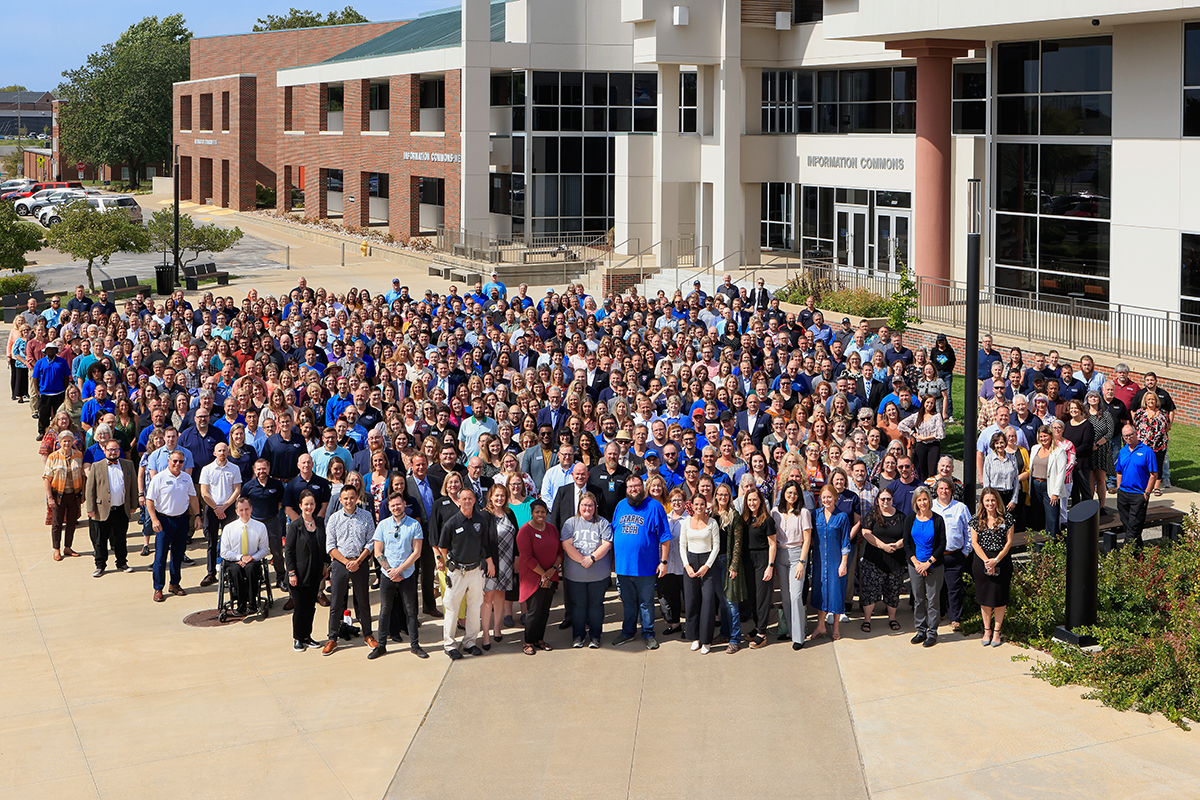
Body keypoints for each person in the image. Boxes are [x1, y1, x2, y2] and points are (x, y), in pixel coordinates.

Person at [435, 485, 498, 659]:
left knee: (474, 607)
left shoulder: (481, 520)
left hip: (476, 571)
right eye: (464, 499)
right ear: (459, 500)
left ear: (474, 500)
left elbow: (485, 544)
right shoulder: (452, 523)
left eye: (470, 498)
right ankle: (449, 645)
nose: (467, 501)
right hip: (457, 572)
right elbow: (443, 547)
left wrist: (487, 563)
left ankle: (470, 642)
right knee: (452, 608)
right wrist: (450, 565)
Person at [611, 475, 672, 650]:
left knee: (646, 603)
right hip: (623, 567)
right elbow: (615, 533)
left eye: (636, 486)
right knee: (628, 602)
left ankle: (648, 633)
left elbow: (665, 537)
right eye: (630, 487)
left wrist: (664, 561)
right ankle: (628, 632)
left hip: (646, 567)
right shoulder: (621, 505)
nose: (633, 490)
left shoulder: (655, 507)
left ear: (643, 487)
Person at [322, 484, 377, 656]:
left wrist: (359, 560)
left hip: (360, 562)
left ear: (357, 497)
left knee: (363, 600)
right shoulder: (334, 518)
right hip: (340, 562)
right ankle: (332, 638)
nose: (349, 501)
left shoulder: (366, 516)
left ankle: (368, 634)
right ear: (340, 500)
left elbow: (371, 541)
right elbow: (330, 546)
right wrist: (346, 561)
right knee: (337, 601)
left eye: (352, 497)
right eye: (345, 498)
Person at [370, 492, 427, 659]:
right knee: (384, 610)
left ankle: (415, 645)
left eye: (399, 504)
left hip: (407, 575)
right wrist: (390, 571)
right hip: (387, 576)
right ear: (389, 507)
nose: (396, 507)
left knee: (410, 611)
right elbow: (378, 552)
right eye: (393, 505)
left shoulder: (414, 525)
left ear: (404, 505)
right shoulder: (383, 525)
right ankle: (381, 646)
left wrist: (399, 570)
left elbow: (416, 552)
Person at [145, 449, 201, 603]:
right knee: (161, 556)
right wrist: (154, 520)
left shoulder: (186, 478)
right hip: (164, 521)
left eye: (181, 462)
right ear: (169, 461)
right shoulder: (159, 478)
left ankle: (174, 584)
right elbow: (150, 501)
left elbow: (193, 498)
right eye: (175, 461)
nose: (177, 464)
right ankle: (158, 588)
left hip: (182, 520)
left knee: (178, 554)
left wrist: (197, 516)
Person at [560, 492, 613, 648]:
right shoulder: (571, 523)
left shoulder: (603, 523)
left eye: (590, 505)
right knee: (578, 606)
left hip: (599, 574)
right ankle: (578, 636)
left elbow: (607, 544)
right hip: (575, 575)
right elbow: (566, 544)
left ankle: (595, 637)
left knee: (596, 605)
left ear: (595, 507)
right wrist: (582, 560)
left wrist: (592, 558)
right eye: (584, 505)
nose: (587, 508)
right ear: (579, 506)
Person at [84, 437, 138, 577]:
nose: (113, 452)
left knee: (121, 538)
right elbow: (90, 489)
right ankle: (100, 565)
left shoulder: (128, 464)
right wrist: (90, 508)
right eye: (110, 450)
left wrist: (133, 505)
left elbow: (133, 486)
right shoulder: (96, 466)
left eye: (116, 449)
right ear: (104, 450)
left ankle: (122, 562)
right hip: (102, 510)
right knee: (101, 539)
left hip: (121, 509)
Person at [970, 488, 1015, 648]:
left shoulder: (1007, 518)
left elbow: (1009, 542)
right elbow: (974, 543)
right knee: (984, 598)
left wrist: (996, 560)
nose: (990, 503)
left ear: (997, 501)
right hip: (982, 561)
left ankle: (997, 631)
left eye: (993, 500)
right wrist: (986, 561)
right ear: (982, 502)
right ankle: (987, 630)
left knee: (999, 598)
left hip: (1001, 560)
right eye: (987, 500)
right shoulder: (976, 519)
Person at [771, 480, 812, 650]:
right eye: (789, 493)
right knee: (786, 597)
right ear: (783, 494)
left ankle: (799, 636)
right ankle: (789, 630)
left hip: (797, 556)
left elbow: (807, 538)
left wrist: (802, 562)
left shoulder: (803, 512)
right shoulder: (775, 512)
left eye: (795, 493)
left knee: (796, 596)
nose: (792, 496)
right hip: (780, 555)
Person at [517, 499, 562, 655]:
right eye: (537, 512)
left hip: (550, 576)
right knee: (534, 611)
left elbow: (560, 552)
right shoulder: (525, 531)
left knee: (544, 611)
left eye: (543, 512)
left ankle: (539, 639)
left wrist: (553, 570)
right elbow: (526, 558)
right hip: (534, 578)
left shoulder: (552, 529)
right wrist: (543, 574)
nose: (540, 514)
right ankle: (528, 641)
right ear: (531, 513)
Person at [903, 486, 946, 647]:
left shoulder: (938, 519)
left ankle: (932, 632)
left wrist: (928, 563)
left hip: (933, 566)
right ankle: (921, 630)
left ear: (930, 500)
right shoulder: (909, 519)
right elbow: (906, 544)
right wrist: (916, 563)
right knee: (918, 599)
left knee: (933, 600)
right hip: (915, 566)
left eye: (925, 499)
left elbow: (942, 544)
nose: (923, 503)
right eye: (919, 500)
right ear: (915, 502)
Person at [808, 483, 852, 642]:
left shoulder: (842, 517)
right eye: (823, 497)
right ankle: (820, 625)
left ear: (835, 498)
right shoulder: (816, 515)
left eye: (829, 497)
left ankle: (836, 628)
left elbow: (845, 541)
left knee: (836, 593)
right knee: (820, 592)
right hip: (820, 560)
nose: (826, 500)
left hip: (836, 561)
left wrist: (844, 563)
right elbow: (810, 537)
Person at [285, 491, 327, 651]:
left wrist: (325, 564)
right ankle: (298, 638)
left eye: (312, 504)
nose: (309, 507)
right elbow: (288, 551)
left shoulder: (320, 522)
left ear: (315, 505)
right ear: (300, 506)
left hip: (315, 573)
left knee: (310, 607)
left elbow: (324, 546)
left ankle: (307, 636)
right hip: (299, 574)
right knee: (300, 608)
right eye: (306, 504)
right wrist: (291, 572)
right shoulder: (295, 526)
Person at [859, 486, 905, 633]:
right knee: (870, 591)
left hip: (895, 560)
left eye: (888, 499)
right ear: (877, 501)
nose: (885, 501)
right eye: (882, 499)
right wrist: (883, 546)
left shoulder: (901, 516)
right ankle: (867, 619)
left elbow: (908, 535)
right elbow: (866, 533)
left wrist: (898, 544)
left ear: (892, 500)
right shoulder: (872, 515)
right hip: (874, 560)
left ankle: (892, 618)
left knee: (893, 590)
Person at [680, 493, 721, 654]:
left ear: (706, 506)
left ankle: (706, 640)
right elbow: (682, 546)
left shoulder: (712, 523)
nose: (699, 507)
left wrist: (706, 566)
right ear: (692, 506)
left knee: (708, 602)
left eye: (702, 504)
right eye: (696, 504)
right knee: (691, 601)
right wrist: (687, 566)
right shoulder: (686, 523)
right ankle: (695, 637)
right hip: (690, 561)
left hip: (707, 564)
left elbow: (716, 546)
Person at [198, 442, 242, 588]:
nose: (222, 452)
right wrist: (216, 508)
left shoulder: (234, 468)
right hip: (212, 508)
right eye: (219, 450)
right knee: (212, 541)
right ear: (214, 453)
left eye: (224, 450)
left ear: (228, 452)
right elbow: (204, 492)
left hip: (228, 508)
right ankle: (211, 573)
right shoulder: (207, 469)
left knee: (229, 542)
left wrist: (225, 507)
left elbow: (237, 490)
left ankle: (229, 572)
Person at [481, 483, 520, 650]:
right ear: (490, 496)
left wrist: (517, 557)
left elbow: (517, 536)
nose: (499, 498)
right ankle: (486, 633)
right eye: (496, 495)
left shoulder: (510, 514)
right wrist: (489, 561)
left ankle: (497, 628)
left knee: (500, 597)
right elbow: (482, 541)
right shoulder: (484, 515)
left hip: (506, 562)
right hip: (490, 563)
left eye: (502, 496)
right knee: (487, 598)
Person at [931, 476, 972, 633]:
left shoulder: (961, 508)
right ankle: (939, 614)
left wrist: (966, 552)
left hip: (955, 554)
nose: (944, 491)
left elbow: (969, 530)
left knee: (954, 588)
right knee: (937, 588)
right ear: (936, 490)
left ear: (952, 491)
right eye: (941, 488)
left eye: (947, 488)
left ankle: (955, 618)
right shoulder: (931, 506)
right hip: (935, 556)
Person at [218, 497, 269, 615]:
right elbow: (224, 552)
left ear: (251, 509)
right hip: (234, 561)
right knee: (236, 571)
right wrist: (240, 557)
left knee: (251, 569)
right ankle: (240, 604)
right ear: (236, 511)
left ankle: (252, 604)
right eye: (241, 510)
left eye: (246, 509)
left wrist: (252, 558)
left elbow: (264, 549)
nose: (244, 513)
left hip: (253, 560)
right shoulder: (228, 528)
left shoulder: (260, 527)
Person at [740, 485, 777, 648]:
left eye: (755, 499)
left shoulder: (767, 520)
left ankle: (762, 632)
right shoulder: (745, 519)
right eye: (749, 500)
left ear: (761, 501)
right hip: (748, 560)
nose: (752, 502)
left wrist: (770, 565)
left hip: (762, 558)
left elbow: (773, 544)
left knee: (762, 597)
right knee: (752, 596)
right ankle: (757, 626)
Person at [44, 430, 85, 562]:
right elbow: (46, 478)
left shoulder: (78, 455)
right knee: (57, 523)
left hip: (74, 494)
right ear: (59, 442)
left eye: (69, 440)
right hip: (58, 495)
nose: (67, 443)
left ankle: (68, 547)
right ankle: (56, 549)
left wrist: (83, 493)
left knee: (72, 522)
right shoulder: (53, 457)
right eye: (64, 441)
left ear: (73, 441)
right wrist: (50, 497)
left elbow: (83, 476)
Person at [1115, 424, 1158, 548]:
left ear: (1136, 434)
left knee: (1134, 527)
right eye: (1125, 436)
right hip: (1123, 494)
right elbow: (1119, 472)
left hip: (1138, 495)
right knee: (1129, 526)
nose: (1128, 438)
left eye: (1130, 435)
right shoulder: (1123, 451)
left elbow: (1153, 474)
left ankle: (1125, 554)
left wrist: (1147, 493)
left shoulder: (1147, 451)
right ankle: (1138, 554)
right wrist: (1119, 488)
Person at [1027, 426, 1069, 540]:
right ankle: (1038, 543)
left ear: (1051, 436)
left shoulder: (1059, 452)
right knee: (1037, 515)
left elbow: (1061, 473)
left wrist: (1056, 493)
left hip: (1049, 487)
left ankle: (1052, 542)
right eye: (1041, 436)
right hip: (1035, 485)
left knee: (1052, 518)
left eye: (1045, 436)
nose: (1043, 439)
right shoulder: (1035, 448)